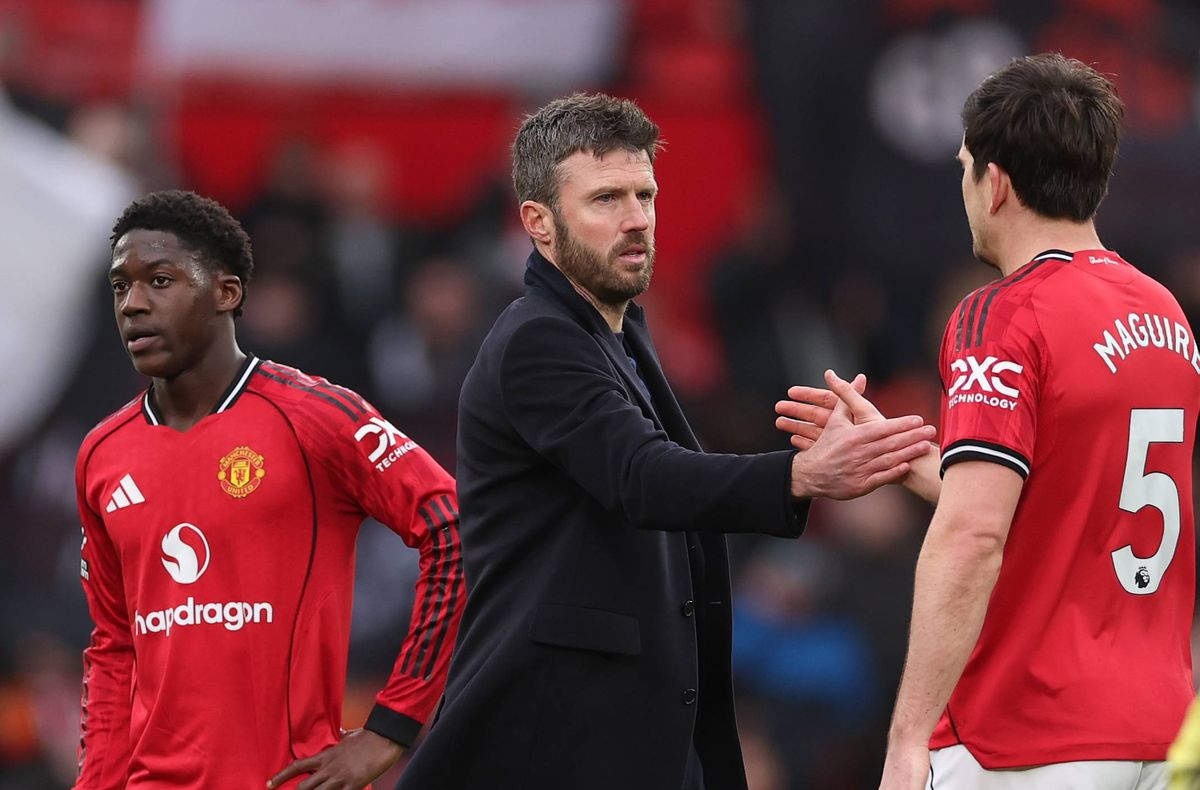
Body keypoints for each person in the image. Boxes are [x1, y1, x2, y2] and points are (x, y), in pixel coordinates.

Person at [395, 92, 935, 790]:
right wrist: (801, 475)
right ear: (539, 223)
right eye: (606, 199)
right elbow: (645, 478)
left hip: (630, 728)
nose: (636, 220)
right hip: (558, 739)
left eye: (644, 194)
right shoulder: (539, 339)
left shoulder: (618, 329)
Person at [778, 53, 1198, 790]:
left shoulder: (1001, 314)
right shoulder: (1164, 314)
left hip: (1027, 736)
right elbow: (1074, 506)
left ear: (995, 181)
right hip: (1156, 735)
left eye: (965, 168)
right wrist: (917, 462)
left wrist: (908, 738)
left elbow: (975, 534)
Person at [73, 190, 464, 789]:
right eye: (121, 286)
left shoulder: (315, 416)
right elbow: (114, 645)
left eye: (159, 280)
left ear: (227, 294)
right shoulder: (102, 455)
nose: (134, 304)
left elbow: (451, 530)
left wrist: (394, 726)